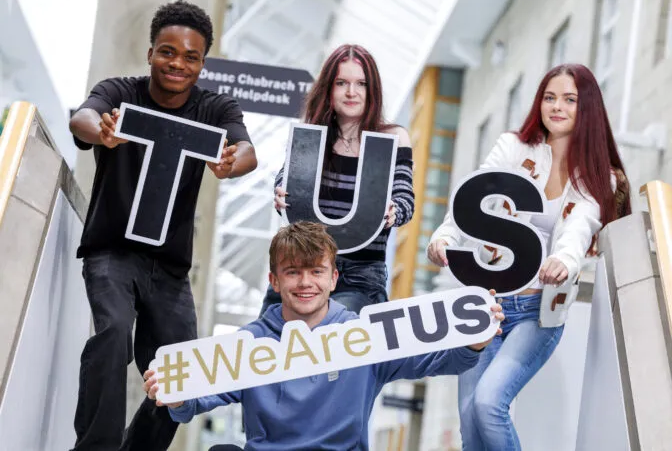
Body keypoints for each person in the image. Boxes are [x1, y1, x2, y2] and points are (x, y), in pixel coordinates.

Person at [69, 0, 257, 451]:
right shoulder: (120, 91)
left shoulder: (215, 108)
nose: (178, 63)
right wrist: (103, 131)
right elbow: (82, 118)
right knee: (113, 334)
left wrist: (233, 163)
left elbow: (247, 150)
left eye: (191, 56)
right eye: (167, 52)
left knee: (182, 375)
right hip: (111, 252)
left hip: (170, 270)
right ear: (151, 52)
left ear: (202, 63)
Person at [143, 221, 505, 450]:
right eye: (292, 272)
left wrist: (475, 338)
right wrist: (172, 393)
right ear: (274, 280)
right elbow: (190, 403)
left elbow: (444, 359)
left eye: (316, 272)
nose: (305, 283)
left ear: (333, 279)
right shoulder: (249, 343)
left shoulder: (366, 336)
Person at [427, 63, 631, 450]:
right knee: (470, 422)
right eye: (549, 98)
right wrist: (445, 236)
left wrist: (566, 261)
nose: (557, 107)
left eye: (569, 100)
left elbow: (580, 226)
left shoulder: (599, 174)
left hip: (538, 308)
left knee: (489, 403)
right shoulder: (512, 147)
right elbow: (475, 196)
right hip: (485, 302)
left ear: (587, 107)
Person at [263, 44, 415, 315]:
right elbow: (288, 177)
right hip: (303, 266)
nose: (351, 92)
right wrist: (281, 191)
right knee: (267, 341)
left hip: (360, 275)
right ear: (328, 89)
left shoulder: (393, 137)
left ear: (373, 90)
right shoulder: (311, 134)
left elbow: (405, 198)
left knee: (330, 341)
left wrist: (394, 210)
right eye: (341, 82)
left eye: (361, 83)